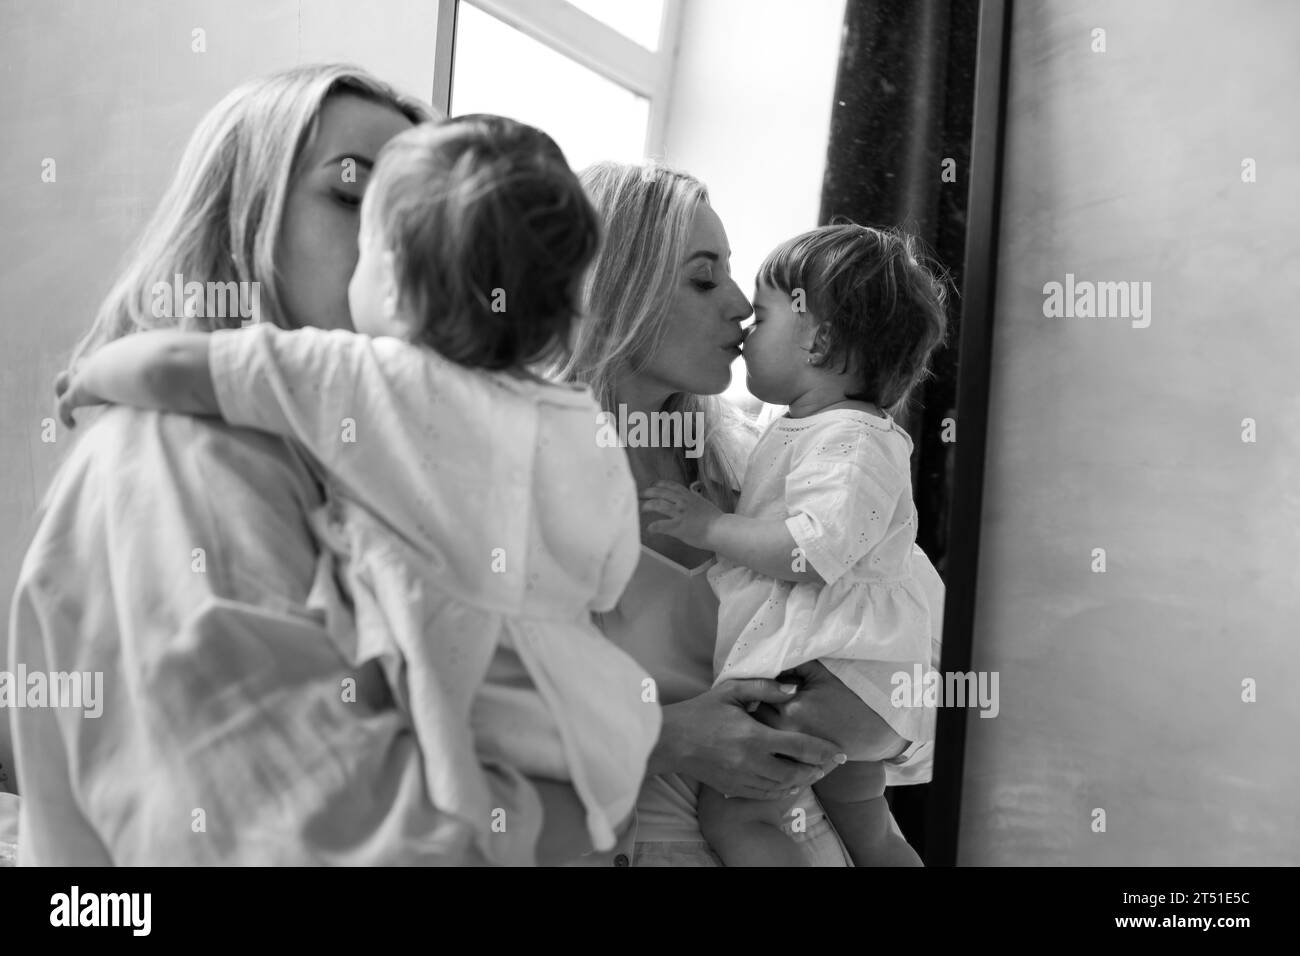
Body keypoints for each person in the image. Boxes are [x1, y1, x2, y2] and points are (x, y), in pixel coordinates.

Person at [7, 65, 602, 865]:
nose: (398, 240)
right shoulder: (187, 455)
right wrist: (560, 811)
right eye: (351, 194)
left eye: (427, 215)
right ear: (236, 217)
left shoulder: (382, 471)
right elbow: (315, 836)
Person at [564, 162, 940, 866]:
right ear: (615, 290)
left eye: (736, 276)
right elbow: (456, 724)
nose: (740, 305)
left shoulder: (754, 459)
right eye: (705, 278)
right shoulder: (523, 484)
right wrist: (670, 735)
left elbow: (897, 653)